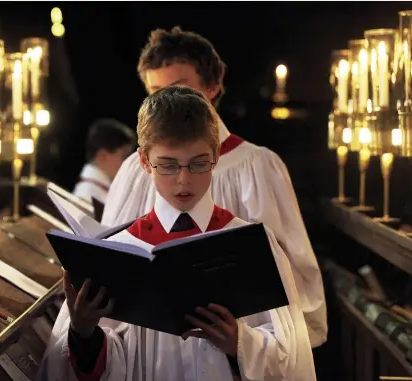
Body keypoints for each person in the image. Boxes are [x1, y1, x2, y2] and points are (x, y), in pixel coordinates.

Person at [35, 86, 317, 381]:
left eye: (198, 164)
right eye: (168, 165)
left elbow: (291, 363)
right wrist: (84, 334)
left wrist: (240, 342)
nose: (184, 180)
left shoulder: (250, 242)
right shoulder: (120, 250)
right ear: (144, 161)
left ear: (215, 155)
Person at [101, 27, 327, 349]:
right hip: (150, 348)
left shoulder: (257, 166)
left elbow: (292, 270)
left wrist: (267, 347)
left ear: (212, 87)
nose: (169, 102)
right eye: (155, 91)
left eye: (180, 88)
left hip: (236, 344)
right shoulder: (134, 170)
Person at [73, 118, 136, 204]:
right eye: (124, 157)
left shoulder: (98, 191)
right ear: (102, 156)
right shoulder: (87, 195)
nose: (129, 164)